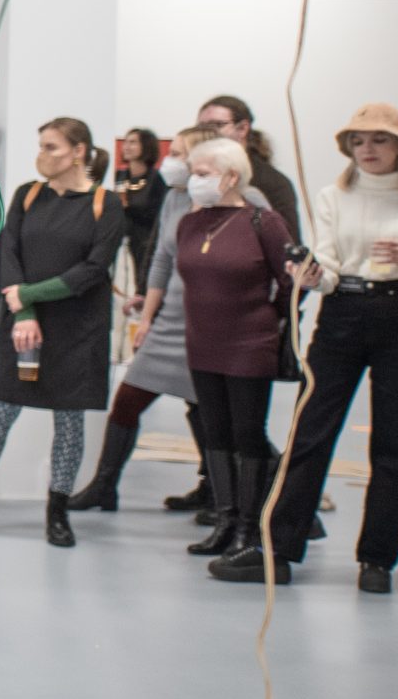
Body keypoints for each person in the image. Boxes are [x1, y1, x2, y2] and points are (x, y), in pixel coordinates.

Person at [241, 106, 398, 592]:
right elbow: (329, 266)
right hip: (342, 314)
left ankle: (377, 561)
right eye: (358, 141)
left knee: (396, 443)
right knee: (310, 433)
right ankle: (278, 551)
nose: (368, 149)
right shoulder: (333, 196)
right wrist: (313, 275)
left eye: (379, 140)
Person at [64, 123, 270, 537]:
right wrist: (146, 317)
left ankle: (234, 497)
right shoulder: (176, 198)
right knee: (128, 400)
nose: (171, 163)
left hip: (215, 323)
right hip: (171, 318)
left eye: (179, 154)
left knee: (217, 418)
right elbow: (161, 258)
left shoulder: (252, 203)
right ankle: (104, 485)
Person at [0, 120, 128, 543]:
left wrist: (29, 294)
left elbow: (94, 269)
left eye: (51, 147)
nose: (42, 155)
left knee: (69, 423)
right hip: (24, 326)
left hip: (77, 329)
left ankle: (57, 511)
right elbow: (9, 253)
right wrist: (23, 311)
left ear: (79, 152)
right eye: (40, 146)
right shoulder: (28, 195)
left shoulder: (105, 204)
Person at [170, 138, 302, 583]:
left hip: (249, 342)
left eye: (203, 172)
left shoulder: (264, 221)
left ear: (231, 177)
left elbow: (290, 283)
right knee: (215, 431)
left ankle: (248, 526)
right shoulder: (190, 223)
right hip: (201, 342)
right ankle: (224, 521)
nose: (194, 179)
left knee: (247, 433)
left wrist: (273, 321)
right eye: (194, 171)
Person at [198, 95, 303, 245]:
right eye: (201, 127)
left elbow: (288, 244)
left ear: (242, 128)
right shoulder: (194, 179)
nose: (206, 134)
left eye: (217, 125)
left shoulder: (273, 183)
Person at [112, 127, 163, 287]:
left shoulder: (156, 179)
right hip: (119, 241)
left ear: (146, 146)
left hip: (143, 243)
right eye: (125, 142)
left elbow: (156, 215)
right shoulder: (119, 176)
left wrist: (127, 207)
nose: (126, 147)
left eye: (133, 142)